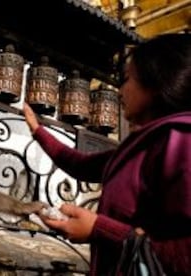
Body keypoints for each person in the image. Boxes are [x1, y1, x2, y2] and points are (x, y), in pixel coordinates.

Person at [24, 33, 191, 275]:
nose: (120, 89)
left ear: (157, 81)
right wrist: (38, 130)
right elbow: (80, 164)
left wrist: (99, 229)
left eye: (127, 79)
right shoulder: (142, 146)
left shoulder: (182, 141)